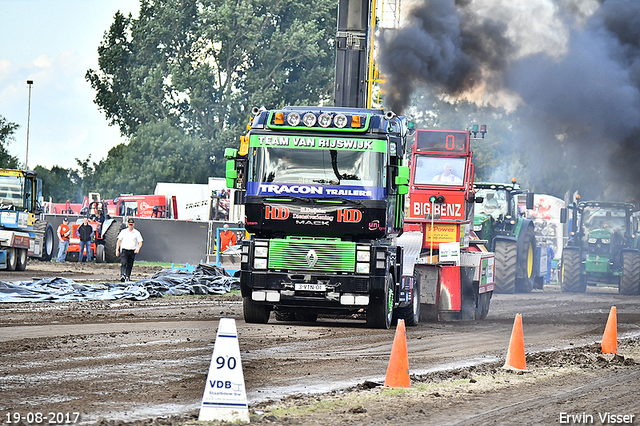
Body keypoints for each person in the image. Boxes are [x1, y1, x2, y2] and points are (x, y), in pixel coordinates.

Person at [115, 218, 143, 282]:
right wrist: (117, 250)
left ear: (133, 225)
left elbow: (140, 242)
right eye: (130, 225)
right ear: (128, 224)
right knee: (123, 263)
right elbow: (119, 241)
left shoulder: (136, 233)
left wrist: (138, 248)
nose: (131, 226)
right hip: (125, 250)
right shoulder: (123, 232)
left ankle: (128, 276)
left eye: (132, 225)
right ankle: (122, 275)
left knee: (130, 264)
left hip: (132, 250)